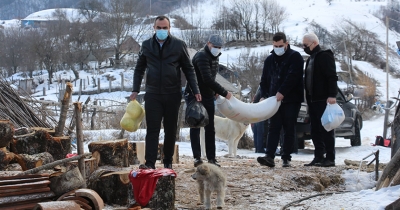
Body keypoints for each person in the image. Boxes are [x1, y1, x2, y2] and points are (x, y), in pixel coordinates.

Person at [130, 15, 201, 169]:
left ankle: (167, 161)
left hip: (172, 94)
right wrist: (135, 89)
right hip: (153, 94)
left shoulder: (178, 45)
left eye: (165, 28)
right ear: (154, 28)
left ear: (169, 28)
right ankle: (149, 163)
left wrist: (196, 90)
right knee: (152, 129)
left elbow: (188, 69)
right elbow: (139, 69)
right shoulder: (146, 45)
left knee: (170, 129)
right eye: (159, 27)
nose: (162, 30)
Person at [256, 32, 304, 168]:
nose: (278, 48)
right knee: (273, 127)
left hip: (291, 99)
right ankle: (269, 156)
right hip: (273, 100)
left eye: (280, 45)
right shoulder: (270, 59)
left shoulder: (295, 57)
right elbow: (264, 80)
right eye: (275, 45)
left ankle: (286, 157)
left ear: (286, 44)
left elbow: (293, 77)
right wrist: (264, 95)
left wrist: (282, 92)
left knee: (289, 127)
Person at [184, 34, 232, 167]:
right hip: (195, 94)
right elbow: (207, 79)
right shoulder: (201, 56)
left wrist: (215, 91)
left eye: (219, 47)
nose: (216, 49)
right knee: (196, 124)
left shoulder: (215, 57)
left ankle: (212, 158)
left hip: (208, 95)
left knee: (210, 127)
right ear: (208, 43)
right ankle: (197, 157)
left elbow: (213, 77)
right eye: (214, 46)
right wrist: (224, 92)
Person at [302, 32, 338, 167]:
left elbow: (332, 76)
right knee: (315, 129)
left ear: (314, 43)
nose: (304, 47)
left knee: (326, 128)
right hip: (312, 99)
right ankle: (318, 156)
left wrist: (332, 95)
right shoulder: (310, 59)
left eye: (306, 45)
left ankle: (330, 157)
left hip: (323, 99)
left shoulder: (324, 56)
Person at [251, 86, 265, 153]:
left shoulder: (257, 93)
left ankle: (257, 148)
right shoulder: (262, 93)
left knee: (256, 132)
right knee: (260, 132)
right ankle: (260, 148)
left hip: (254, 112)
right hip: (260, 113)